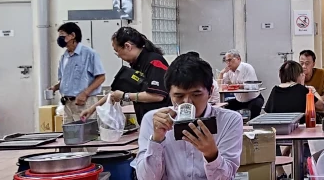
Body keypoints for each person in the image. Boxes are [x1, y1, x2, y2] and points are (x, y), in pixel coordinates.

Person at [133, 52, 243, 180]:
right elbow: (146, 178)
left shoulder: (229, 120)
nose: (187, 102)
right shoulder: (153, 120)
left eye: (196, 94)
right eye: (179, 96)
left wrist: (211, 154)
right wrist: (156, 140)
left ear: (210, 91)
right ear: (169, 93)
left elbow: (226, 177)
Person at [80, 27, 171, 124]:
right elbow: (114, 94)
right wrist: (92, 109)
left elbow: (157, 96)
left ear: (128, 46)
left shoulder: (154, 61)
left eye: (117, 51)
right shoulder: (135, 64)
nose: (119, 56)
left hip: (162, 121)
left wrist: (125, 96)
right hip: (147, 121)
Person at [48, 22, 106, 123]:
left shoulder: (89, 54)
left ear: (72, 35)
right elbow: (65, 80)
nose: (59, 38)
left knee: (85, 131)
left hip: (84, 103)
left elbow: (101, 77)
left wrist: (85, 94)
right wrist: (55, 88)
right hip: (67, 105)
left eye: (62, 34)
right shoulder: (64, 57)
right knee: (69, 131)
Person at [220, 50, 263, 118]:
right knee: (223, 107)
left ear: (238, 59)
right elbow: (221, 85)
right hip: (239, 100)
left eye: (230, 60)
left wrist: (236, 86)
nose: (228, 63)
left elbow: (251, 86)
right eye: (226, 61)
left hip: (253, 99)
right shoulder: (228, 71)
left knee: (255, 108)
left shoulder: (247, 67)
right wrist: (221, 74)